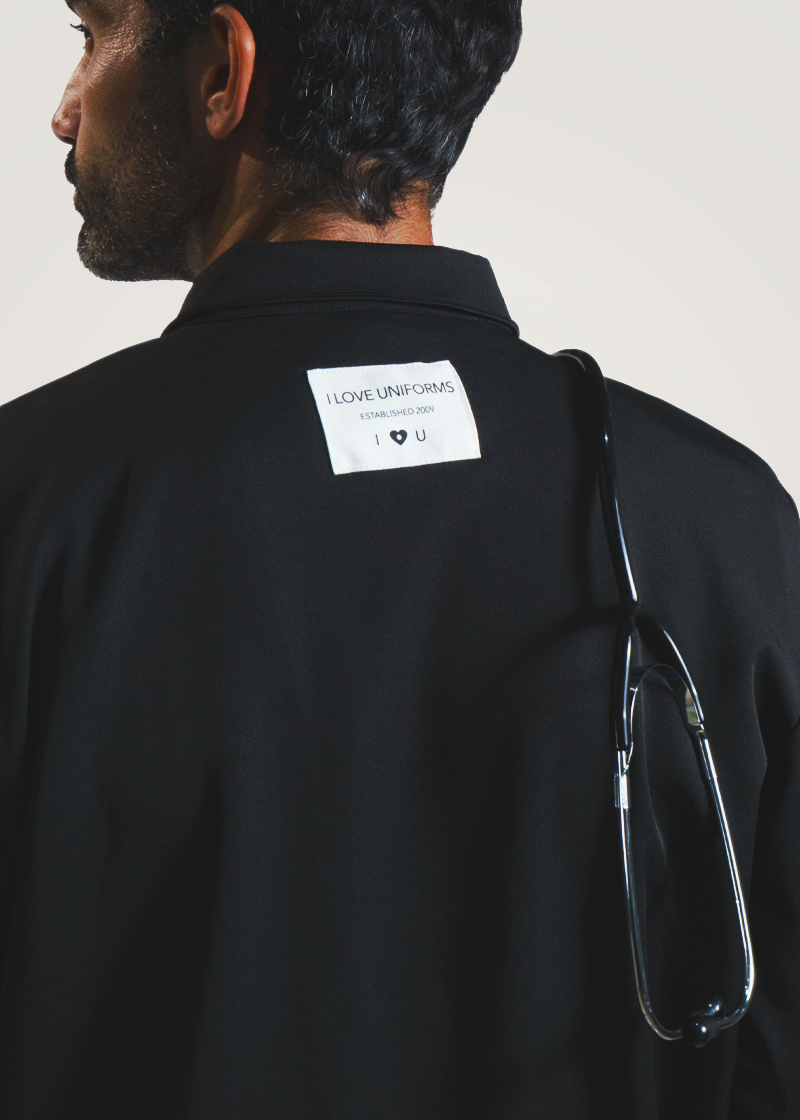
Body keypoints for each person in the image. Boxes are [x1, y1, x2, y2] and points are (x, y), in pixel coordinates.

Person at [0, 0, 796, 1116]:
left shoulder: (34, 501)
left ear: (223, 72)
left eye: (91, 34)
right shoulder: (727, 521)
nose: (65, 109)